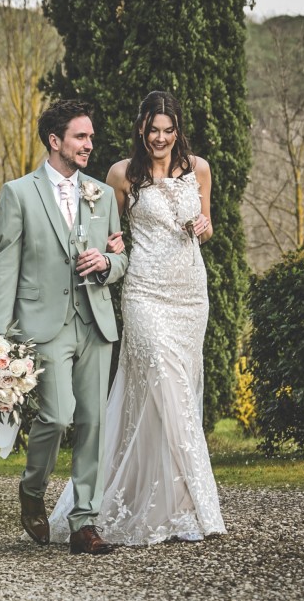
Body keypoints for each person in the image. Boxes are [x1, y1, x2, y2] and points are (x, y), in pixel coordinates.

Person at [48, 90, 227, 545]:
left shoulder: (199, 169)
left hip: (190, 294)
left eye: (168, 131)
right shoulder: (121, 174)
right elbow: (105, 226)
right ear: (142, 129)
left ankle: (176, 505)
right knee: (168, 386)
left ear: (177, 131)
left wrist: (205, 227)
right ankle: (197, 503)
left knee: (175, 393)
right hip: (145, 292)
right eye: (153, 131)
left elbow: (205, 225)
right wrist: (111, 250)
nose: (161, 139)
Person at [0, 99, 129, 555]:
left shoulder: (101, 194)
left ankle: (85, 522)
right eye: (80, 137)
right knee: (58, 415)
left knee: (93, 422)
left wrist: (107, 262)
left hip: (95, 320)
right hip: (44, 324)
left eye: (90, 136)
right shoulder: (18, 193)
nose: (90, 144)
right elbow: (5, 264)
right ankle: (32, 487)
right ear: (55, 141)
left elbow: (122, 257)